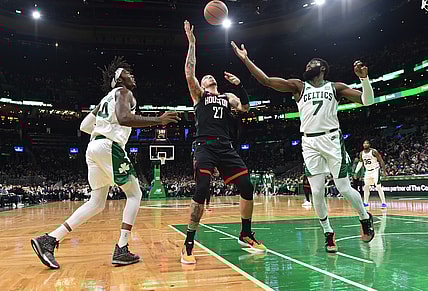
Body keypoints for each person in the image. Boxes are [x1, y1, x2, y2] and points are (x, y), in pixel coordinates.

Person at [30, 56, 180, 269]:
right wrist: (158, 120)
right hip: (109, 146)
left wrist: (102, 133)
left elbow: (84, 125)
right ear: (119, 79)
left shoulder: (104, 100)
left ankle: (49, 240)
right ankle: (122, 248)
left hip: (93, 148)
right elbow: (124, 118)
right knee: (135, 194)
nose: (132, 75)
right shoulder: (124, 93)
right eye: (127, 73)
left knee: (97, 202)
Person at [231, 41, 375, 253]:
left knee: (344, 188)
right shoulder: (299, 86)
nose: (308, 66)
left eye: (312, 64)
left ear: (323, 68)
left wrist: (364, 79)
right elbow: (266, 80)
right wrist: (245, 59)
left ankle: (365, 217)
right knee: (316, 191)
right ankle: (328, 232)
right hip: (309, 142)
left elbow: (367, 101)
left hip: (332, 139)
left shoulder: (335, 87)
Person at [181, 21, 266, 264]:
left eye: (210, 76)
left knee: (247, 186)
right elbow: (189, 72)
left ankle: (245, 233)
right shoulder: (199, 96)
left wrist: (241, 86)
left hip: (225, 145)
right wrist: (193, 43)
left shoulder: (228, 97)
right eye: (205, 77)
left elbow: (247, 107)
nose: (208, 77)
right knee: (202, 188)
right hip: (204, 145)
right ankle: (188, 241)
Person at [354, 140, 387, 208]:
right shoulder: (361, 153)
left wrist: (384, 172)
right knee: (366, 186)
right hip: (368, 171)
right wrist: (356, 172)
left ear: (369, 145)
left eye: (367, 143)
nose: (365, 144)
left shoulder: (374, 151)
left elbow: (381, 160)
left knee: (378, 186)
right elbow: (360, 163)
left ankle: (384, 203)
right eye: (364, 143)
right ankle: (365, 203)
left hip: (375, 170)